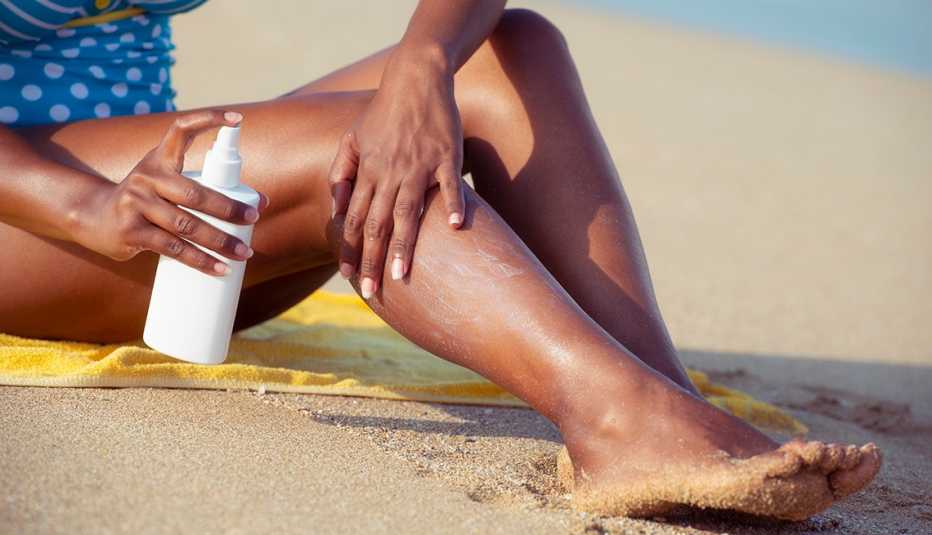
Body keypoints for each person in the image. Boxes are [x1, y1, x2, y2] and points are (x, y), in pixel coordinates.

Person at [0, 0, 880, 519]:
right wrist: (85, 206)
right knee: (360, 142)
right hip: (39, 220)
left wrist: (424, 64)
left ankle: (664, 401)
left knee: (508, 52)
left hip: (162, 201)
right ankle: (615, 418)